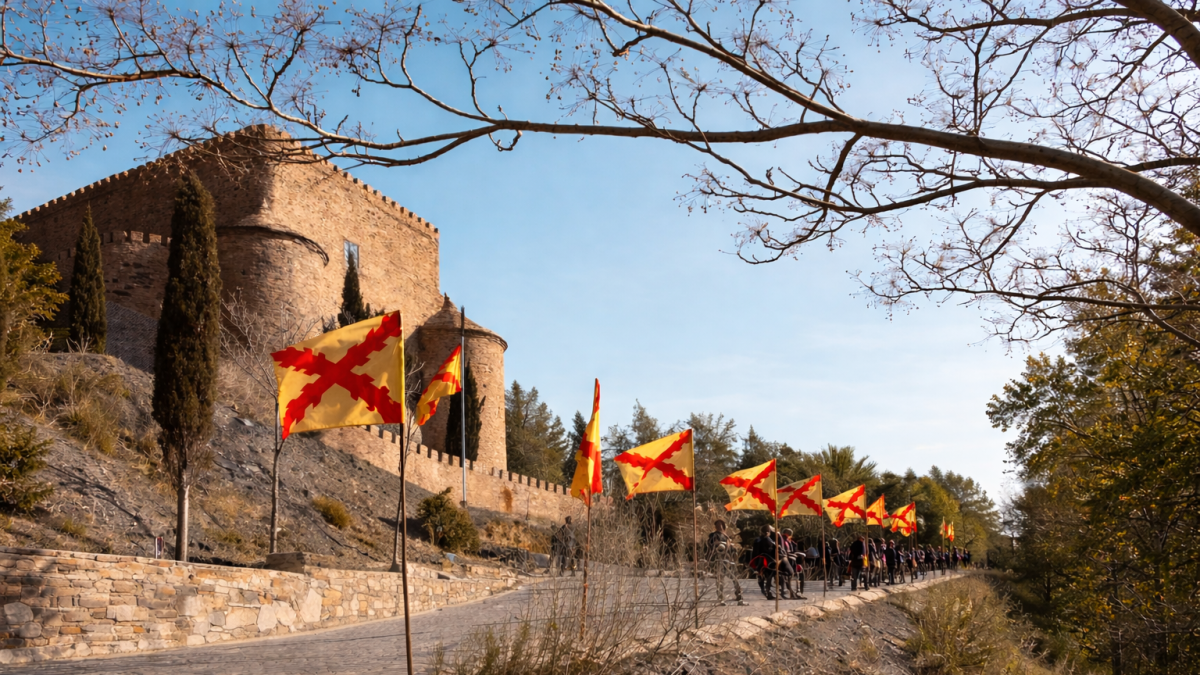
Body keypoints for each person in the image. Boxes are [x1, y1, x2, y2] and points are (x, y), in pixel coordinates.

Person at [706, 519, 748, 606]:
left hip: (728, 559)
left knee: (734, 577)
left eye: (721, 524)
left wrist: (733, 549)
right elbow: (711, 546)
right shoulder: (713, 535)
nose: (719, 526)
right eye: (718, 525)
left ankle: (739, 595)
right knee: (720, 579)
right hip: (719, 559)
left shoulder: (726, 536)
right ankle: (721, 597)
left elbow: (730, 548)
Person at [751, 525, 779, 600]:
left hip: (760, 560)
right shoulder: (767, 539)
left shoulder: (758, 539)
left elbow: (754, 552)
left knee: (762, 577)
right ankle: (768, 592)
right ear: (768, 532)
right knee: (769, 577)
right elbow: (770, 550)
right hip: (767, 560)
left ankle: (764, 591)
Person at [781, 529, 805, 599]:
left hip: (790, 560)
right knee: (798, 574)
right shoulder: (784, 541)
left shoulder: (788, 541)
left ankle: (796, 592)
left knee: (800, 572)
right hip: (788, 561)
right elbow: (786, 552)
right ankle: (797, 592)